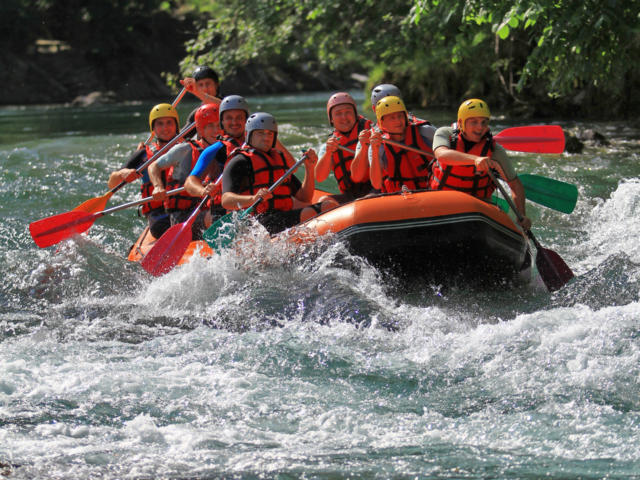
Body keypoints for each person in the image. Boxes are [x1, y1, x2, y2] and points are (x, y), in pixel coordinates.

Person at [431, 98, 531, 229]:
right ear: (461, 122)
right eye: (474, 122)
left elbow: (514, 184)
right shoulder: (445, 134)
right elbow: (441, 155)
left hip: (478, 208)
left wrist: (522, 214)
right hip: (442, 201)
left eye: (484, 122)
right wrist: (475, 159)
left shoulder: (495, 151)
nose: (480, 127)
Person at [221, 112, 328, 234]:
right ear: (248, 135)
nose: (266, 138)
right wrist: (253, 198)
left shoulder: (278, 159)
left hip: (282, 216)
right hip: (257, 222)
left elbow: (304, 197)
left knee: (328, 205)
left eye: (270, 134)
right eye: (260, 133)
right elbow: (226, 200)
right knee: (309, 213)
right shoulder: (239, 161)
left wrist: (309, 169)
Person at [148, 103, 222, 238]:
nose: (216, 130)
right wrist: (158, 187)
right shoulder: (184, 150)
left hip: (211, 208)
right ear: (200, 130)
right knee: (215, 216)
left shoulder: (229, 149)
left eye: (219, 126)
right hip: (183, 216)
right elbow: (154, 166)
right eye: (210, 126)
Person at [107, 103, 180, 238]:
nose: (165, 128)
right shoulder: (143, 154)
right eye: (160, 124)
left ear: (176, 126)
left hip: (185, 208)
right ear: (153, 129)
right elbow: (112, 184)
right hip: (159, 214)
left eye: (169, 122)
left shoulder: (187, 148)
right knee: (163, 228)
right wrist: (123, 174)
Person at [367, 96, 436, 193]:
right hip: (401, 197)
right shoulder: (378, 146)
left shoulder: (425, 131)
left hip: (433, 191)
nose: (398, 121)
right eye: (392, 118)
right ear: (381, 122)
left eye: (400, 116)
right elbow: (376, 184)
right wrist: (374, 151)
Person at [315, 92, 374, 204]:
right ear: (331, 119)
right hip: (350, 194)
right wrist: (328, 153)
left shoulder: (372, 133)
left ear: (355, 114)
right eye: (338, 113)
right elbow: (319, 177)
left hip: (376, 190)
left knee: (367, 200)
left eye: (348, 112)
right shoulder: (328, 145)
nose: (344, 117)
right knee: (324, 201)